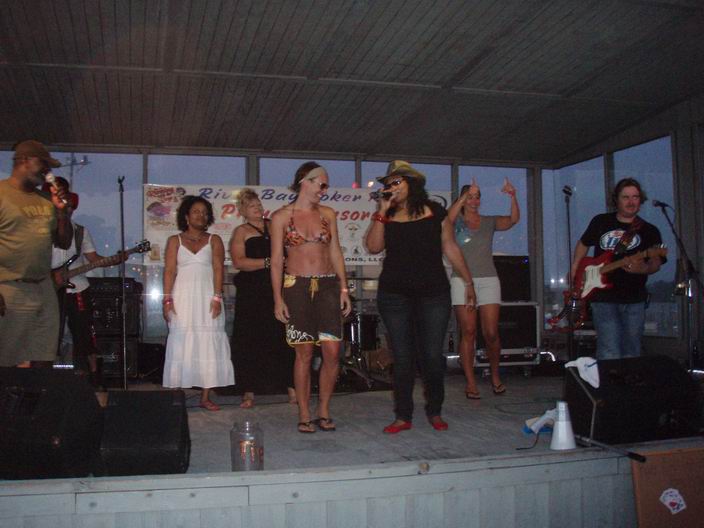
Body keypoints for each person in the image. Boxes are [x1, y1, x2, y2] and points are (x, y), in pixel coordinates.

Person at [364, 160, 476, 434]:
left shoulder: (435, 211)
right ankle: (403, 415)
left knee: (432, 356)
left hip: (433, 293)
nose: (391, 187)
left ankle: (435, 410)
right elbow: (373, 247)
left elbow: (450, 246)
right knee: (402, 357)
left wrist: (468, 281)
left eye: (396, 182)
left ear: (411, 183)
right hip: (394, 294)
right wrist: (381, 212)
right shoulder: (387, 214)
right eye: (388, 183)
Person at [270, 162, 351, 433]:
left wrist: (344, 288)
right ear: (305, 180)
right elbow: (276, 261)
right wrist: (278, 298)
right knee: (303, 353)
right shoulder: (281, 217)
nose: (324, 190)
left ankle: (324, 409)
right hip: (297, 286)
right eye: (321, 184)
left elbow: (336, 252)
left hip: (328, 286)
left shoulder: (328, 214)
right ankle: (304, 412)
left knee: (332, 352)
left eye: (326, 186)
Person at [570, 178, 664, 359]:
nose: (631, 201)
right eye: (626, 197)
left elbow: (656, 263)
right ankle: (608, 378)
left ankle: (630, 378)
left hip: (634, 298)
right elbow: (583, 243)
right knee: (609, 350)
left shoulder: (649, 231)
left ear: (641, 200)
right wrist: (575, 267)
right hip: (603, 297)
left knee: (632, 351)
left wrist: (642, 268)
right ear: (616, 200)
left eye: (635, 197)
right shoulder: (601, 221)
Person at [0, 140, 72, 367]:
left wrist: (62, 213)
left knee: (44, 357)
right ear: (25, 160)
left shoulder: (46, 200)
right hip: (10, 287)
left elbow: (64, 242)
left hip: (44, 287)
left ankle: (37, 390)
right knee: (7, 359)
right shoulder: (2, 193)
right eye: (43, 164)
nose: (46, 171)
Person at [447, 178, 520, 399]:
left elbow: (513, 220)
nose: (474, 201)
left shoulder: (488, 221)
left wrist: (513, 196)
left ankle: (495, 376)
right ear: (462, 199)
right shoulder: (455, 222)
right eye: (469, 197)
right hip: (461, 280)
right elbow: (447, 219)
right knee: (468, 331)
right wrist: (462, 198)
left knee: (491, 332)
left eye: (477, 197)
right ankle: (471, 382)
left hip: (488, 279)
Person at [49, 176, 126, 386]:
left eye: (68, 205)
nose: (66, 208)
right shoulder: (41, 229)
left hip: (77, 288)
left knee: (83, 332)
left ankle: (90, 377)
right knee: (49, 333)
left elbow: (94, 259)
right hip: (48, 289)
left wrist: (114, 260)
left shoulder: (81, 232)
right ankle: (47, 378)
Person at [162, 195, 235, 410]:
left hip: (208, 297)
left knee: (208, 344)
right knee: (181, 342)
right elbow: (169, 271)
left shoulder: (214, 240)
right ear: (186, 216)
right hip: (182, 297)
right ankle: (177, 395)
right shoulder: (174, 240)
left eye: (204, 212)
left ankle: (205, 397)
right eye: (196, 211)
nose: (200, 215)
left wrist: (217, 297)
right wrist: (167, 300)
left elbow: (218, 269)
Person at [229, 188, 296, 408]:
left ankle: (292, 387)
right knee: (250, 339)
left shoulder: (274, 225)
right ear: (243, 211)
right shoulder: (241, 231)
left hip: (279, 288)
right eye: (251, 206)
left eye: (258, 204)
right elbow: (239, 262)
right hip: (252, 292)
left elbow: (290, 250)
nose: (257, 208)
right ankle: (248, 391)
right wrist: (269, 262)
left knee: (283, 337)